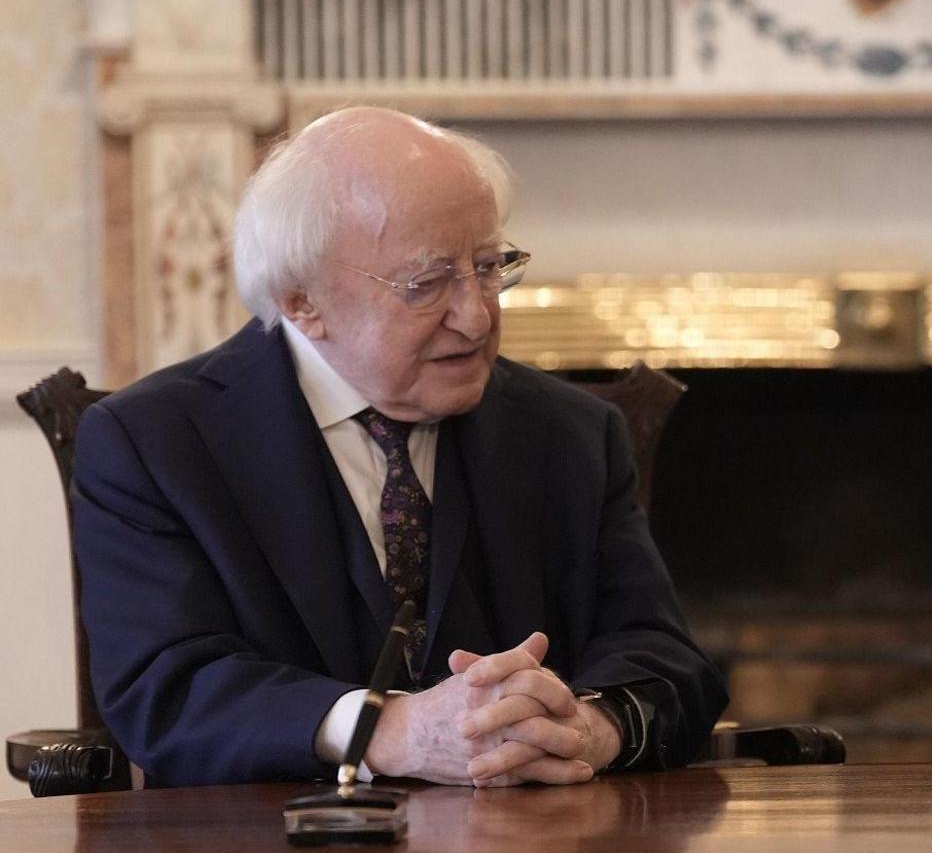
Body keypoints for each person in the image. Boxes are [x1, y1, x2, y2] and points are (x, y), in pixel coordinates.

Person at [71, 107, 727, 787]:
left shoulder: (570, 434)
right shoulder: (156, 445)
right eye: (426, 284)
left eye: (488, 266)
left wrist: (588, 727)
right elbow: (166, 690)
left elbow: (664, 661)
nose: (476, 316)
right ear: (303, 302)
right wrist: (387, 732)